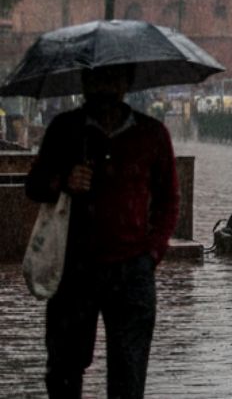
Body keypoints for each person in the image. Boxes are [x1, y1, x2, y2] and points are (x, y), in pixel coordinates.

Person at [25, 64, 179, 399]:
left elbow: (169, 200)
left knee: (128, 373)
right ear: (84, 82)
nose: (104, 88)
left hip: (132, 271)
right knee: (64, 370)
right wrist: (63, 180)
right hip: (74, 269)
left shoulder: (151, 134)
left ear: (127, 83)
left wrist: (151, 253)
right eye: (96, 79)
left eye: (113, 79)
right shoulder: (66, 129)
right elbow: (34, 185)